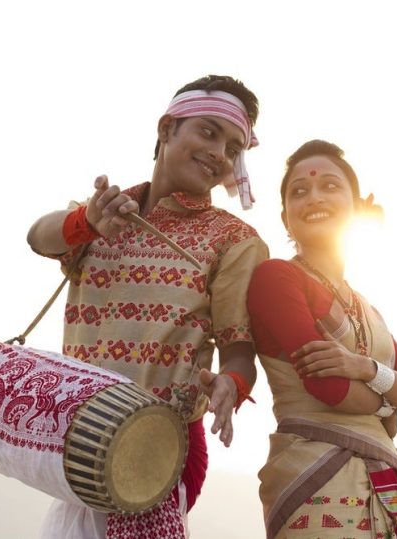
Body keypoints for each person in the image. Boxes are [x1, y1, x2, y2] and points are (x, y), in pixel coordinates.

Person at [27, 74, 269, 539]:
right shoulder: (106, 213)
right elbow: (37, 236)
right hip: (78, 443)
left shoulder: (234, 240)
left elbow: (240, 348)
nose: (220, 153)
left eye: (234, 146)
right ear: (165, 129)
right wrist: (86, 222)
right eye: (208, 131)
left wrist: (231, 384)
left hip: (159, 450)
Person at [247, 140, 397, 538]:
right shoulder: (277, 278)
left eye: (330, 186)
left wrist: (365, 368)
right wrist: (388, 403)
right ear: (285, 218)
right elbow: (330, 388)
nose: (314, 196)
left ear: (355, 207)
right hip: (317, 483)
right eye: (299, 191)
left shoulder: (367, 309)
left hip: (388, 486)